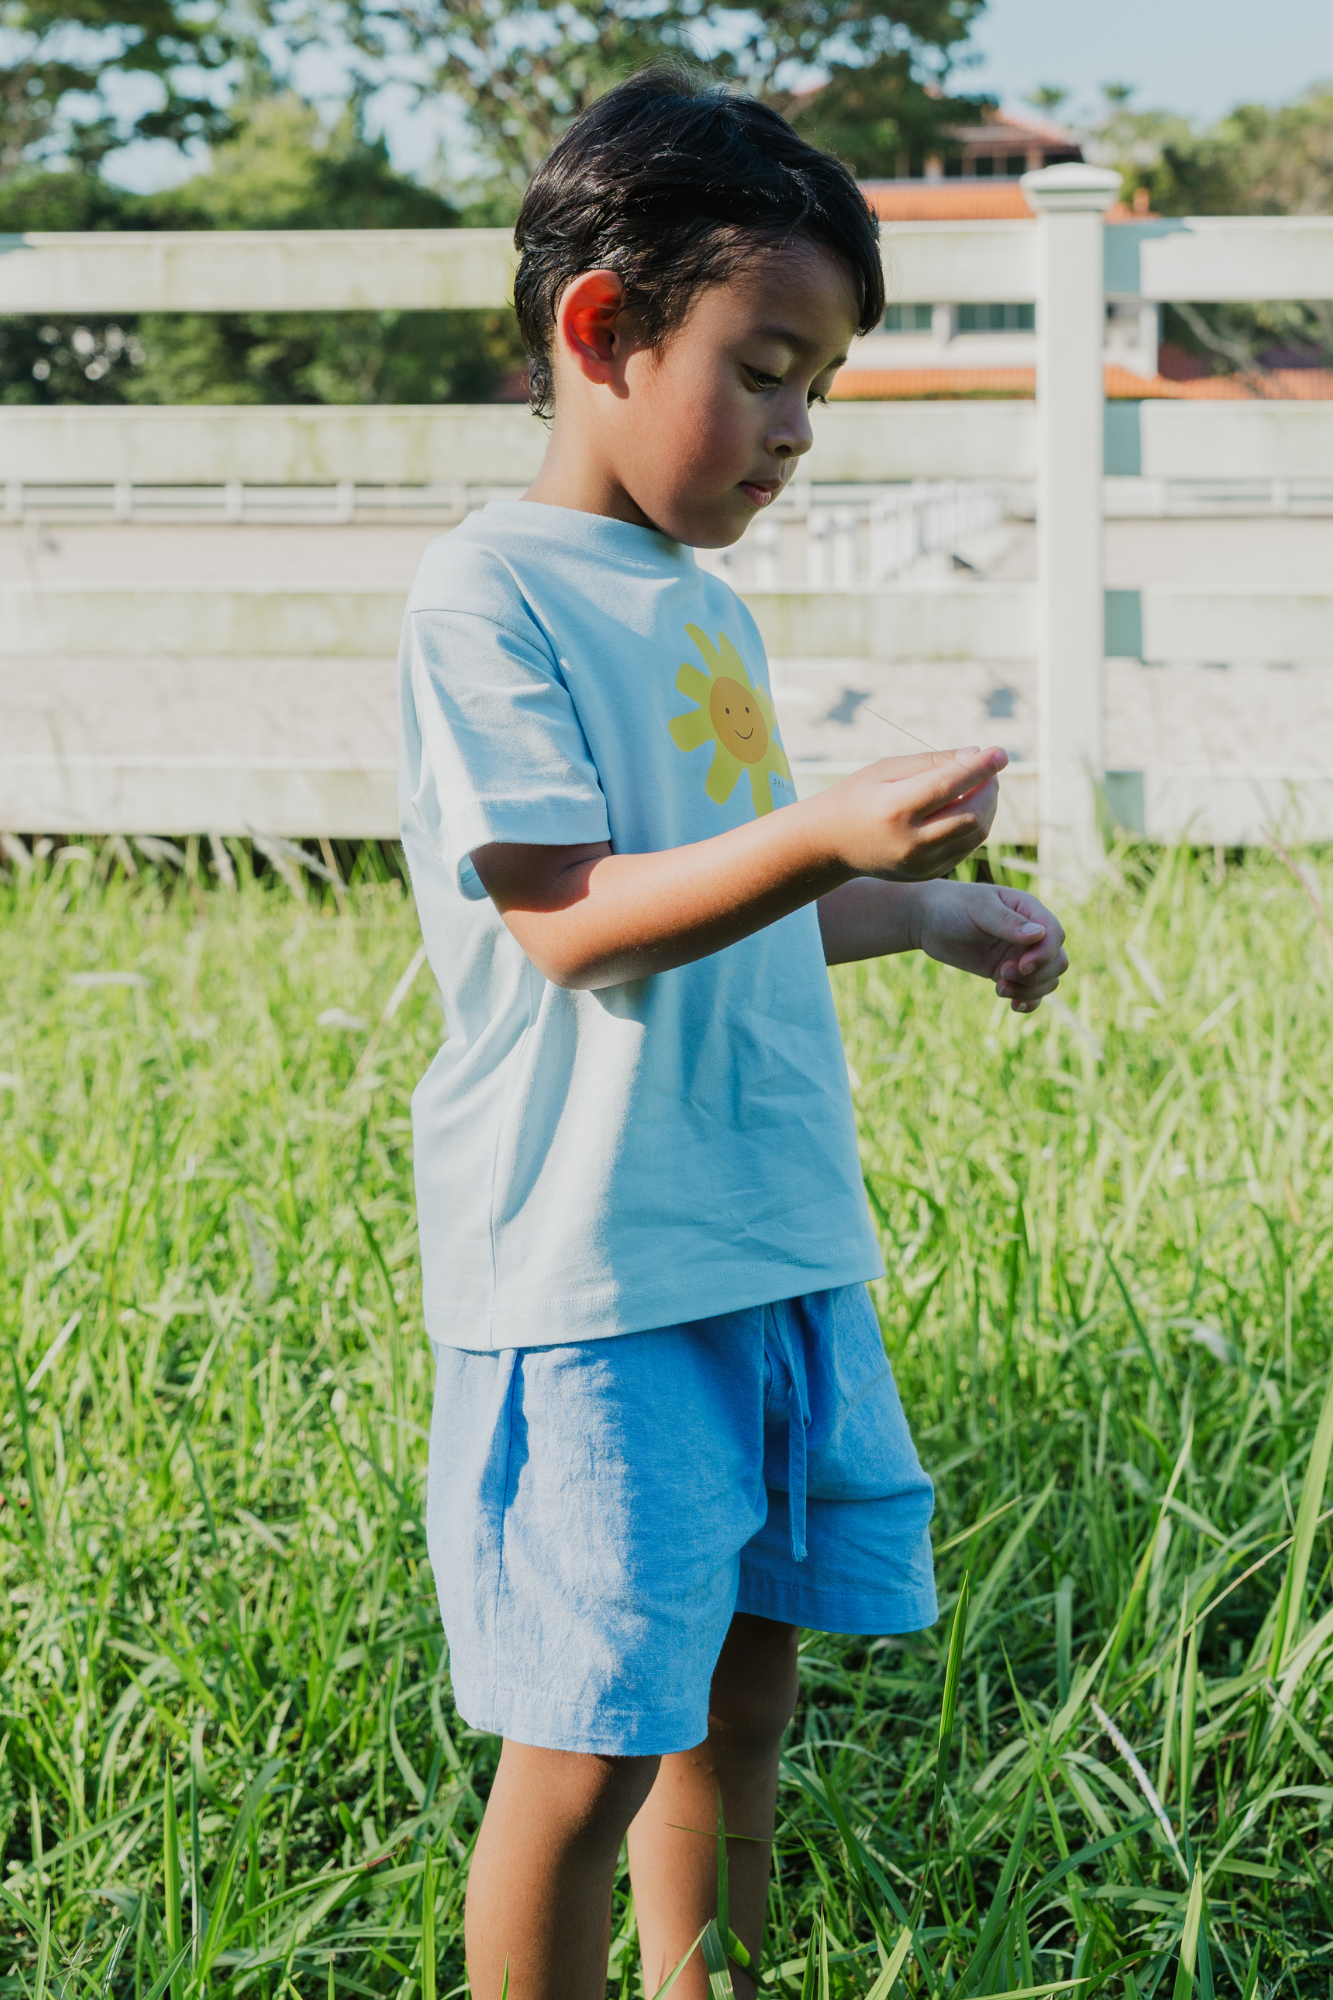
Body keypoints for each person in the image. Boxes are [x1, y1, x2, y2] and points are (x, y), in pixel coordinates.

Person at [397, 66, 1069, 2000]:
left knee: (741, 1697)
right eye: (765, 367)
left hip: (764, 1242)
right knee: (595, 1736)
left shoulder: (700, 607)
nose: (796, 432)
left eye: (823, 388)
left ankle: (716, 1982)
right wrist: (824, 826)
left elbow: (742, 905)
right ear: (601, 329)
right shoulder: (491, 591)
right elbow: (578, 928)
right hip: (601, 1271)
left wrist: (920, 908)